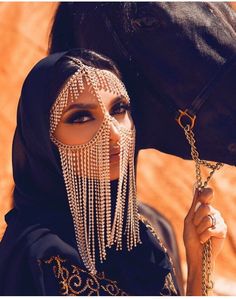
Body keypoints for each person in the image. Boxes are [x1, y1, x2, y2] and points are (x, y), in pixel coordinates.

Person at [0, 49, 226, 296]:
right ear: (43, 139)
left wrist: (198, 262)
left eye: (119, 109)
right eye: (82, 117)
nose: (115, 133)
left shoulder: (140, 236)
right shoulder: (37, 257)